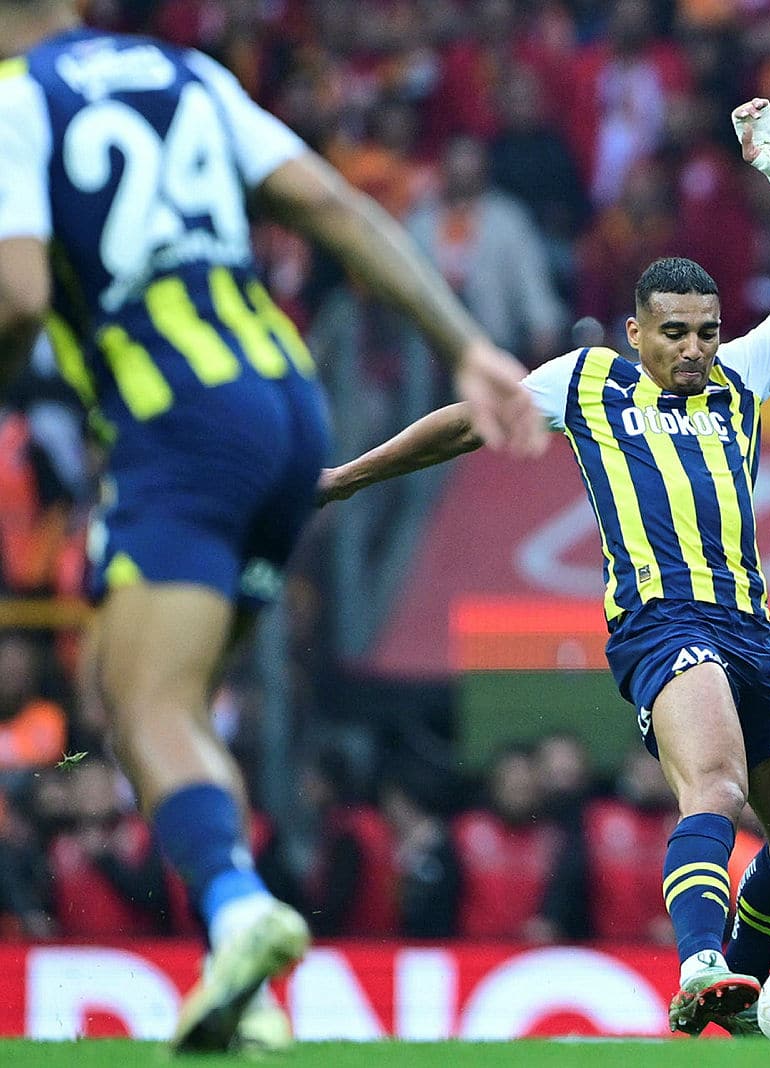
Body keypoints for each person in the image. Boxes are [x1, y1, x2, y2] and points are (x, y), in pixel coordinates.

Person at [0, 1, 545, 1053]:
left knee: (142, 705)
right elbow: (332, 203)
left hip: (178, 422)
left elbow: (19, 297)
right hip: (290, 408)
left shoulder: (19, 103)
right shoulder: (188, 76)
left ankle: (242, 911)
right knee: (173, 705)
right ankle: (241, 980)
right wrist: (464, 342)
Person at [319, 97, 770, 1036]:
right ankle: (700, 960)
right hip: (661, 621)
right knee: (716, 787)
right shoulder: (587, 380)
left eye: (706, 330)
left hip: (753, 628)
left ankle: (730, 992)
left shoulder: (742, 376)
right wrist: (347, 477)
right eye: (675, 332)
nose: (694, 349)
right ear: (636, 332)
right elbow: (466, 425)